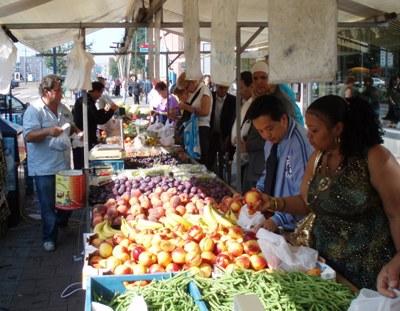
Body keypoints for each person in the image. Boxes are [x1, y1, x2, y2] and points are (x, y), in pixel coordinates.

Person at [255, 95, 399, 292]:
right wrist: (274, 203)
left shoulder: (375, 157)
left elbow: (396, 214)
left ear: (337, 129)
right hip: (325, 265)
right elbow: (306, 202)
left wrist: (398, 259)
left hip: (370, 268)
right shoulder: (317, 158)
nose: (309, 136)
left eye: (314, 130)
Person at [22, 74, 75, 251]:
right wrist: (48, 131)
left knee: (68, 202)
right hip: (44, 167)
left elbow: (71, 123)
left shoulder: (63, 108)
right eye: (58, 90)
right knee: (48, 205)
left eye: (61, 90)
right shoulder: (34, 110)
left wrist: (78, 132)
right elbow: (29, 136)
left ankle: (61, 222)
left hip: (63, 164)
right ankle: (49, 237)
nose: (61, 93)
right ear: (47, 91)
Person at [247, 95, 313, 232]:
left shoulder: (299, 145)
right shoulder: (271, 143)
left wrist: (278, 219)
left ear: (283, 119)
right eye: (260, 131)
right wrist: (258, 191)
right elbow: (268, 172)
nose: (266, 135)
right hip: (274, 219)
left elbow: (304, 197)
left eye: (269, 128)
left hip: (294, 228)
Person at [72, 81, 118, 169]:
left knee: (83, 163)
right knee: (83, 164)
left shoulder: (85, 100)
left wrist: (104, 110)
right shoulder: (87, 102)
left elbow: (93, 115)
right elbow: (99, 119)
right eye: (100, 92)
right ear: (95, 91)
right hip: (83, 138)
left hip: (86, 136)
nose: (100, 95)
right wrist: (111, 110)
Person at [178, 72, 213, 165]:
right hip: (193, 129)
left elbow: (205, 111)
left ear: (192, 82)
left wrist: (186, 107)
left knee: (200, 160)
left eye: (186, 87)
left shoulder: (204, 90)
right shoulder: (195, 91)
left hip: (201, 130)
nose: (186, 90)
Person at [230, 71, 253, 188]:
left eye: (242, 88)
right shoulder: (243, 102)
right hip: (238, 150)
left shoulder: (253, 104)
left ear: (251, 86)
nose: (239, 91)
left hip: (246, 153)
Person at [208, 84, 236, 177]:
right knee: (210, 157)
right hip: (211, 132)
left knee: (224, 158)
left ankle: (222, 177)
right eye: (220, 87)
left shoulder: (233, 100)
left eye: (225, 88)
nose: (223, 90)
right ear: (216, 86)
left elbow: (233, 119)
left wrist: (229, 135)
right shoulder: (210, 96)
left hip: (225, 134)